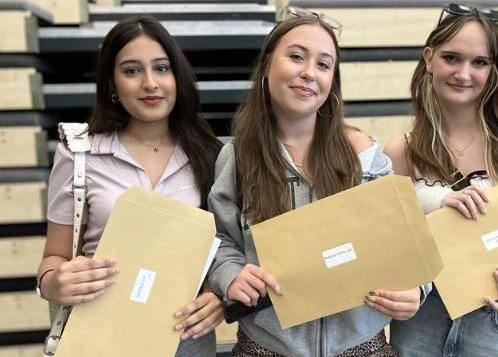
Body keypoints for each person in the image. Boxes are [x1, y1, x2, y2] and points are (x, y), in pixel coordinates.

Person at [208, 8, 422, 356]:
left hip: (361, 347)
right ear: (266, 66)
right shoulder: (237, 158)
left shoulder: (364, 157)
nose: (309, 73)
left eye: (324, 65)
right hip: (265, 348)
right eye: (296, 57)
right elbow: (218, 239)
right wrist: (230, 273)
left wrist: (416, 289)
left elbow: (406, 241)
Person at [36, 16, 224, 356]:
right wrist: (53, 284)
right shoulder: (79, 153)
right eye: (132, 70)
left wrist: (218, 296)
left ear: (177, 77)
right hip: (101, 339)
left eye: (162, 68)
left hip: (185, 342)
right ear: (112, 83)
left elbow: (224, 252)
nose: (150, 83)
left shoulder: (212, 155)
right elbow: (53, 259)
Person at [384, 4, 498, 356]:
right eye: (451, 58)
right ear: (429, 58)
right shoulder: (401, 151)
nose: (464, 73)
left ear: (495, 69)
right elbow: (390, 247)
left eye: (479, 62)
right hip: (422, 320)